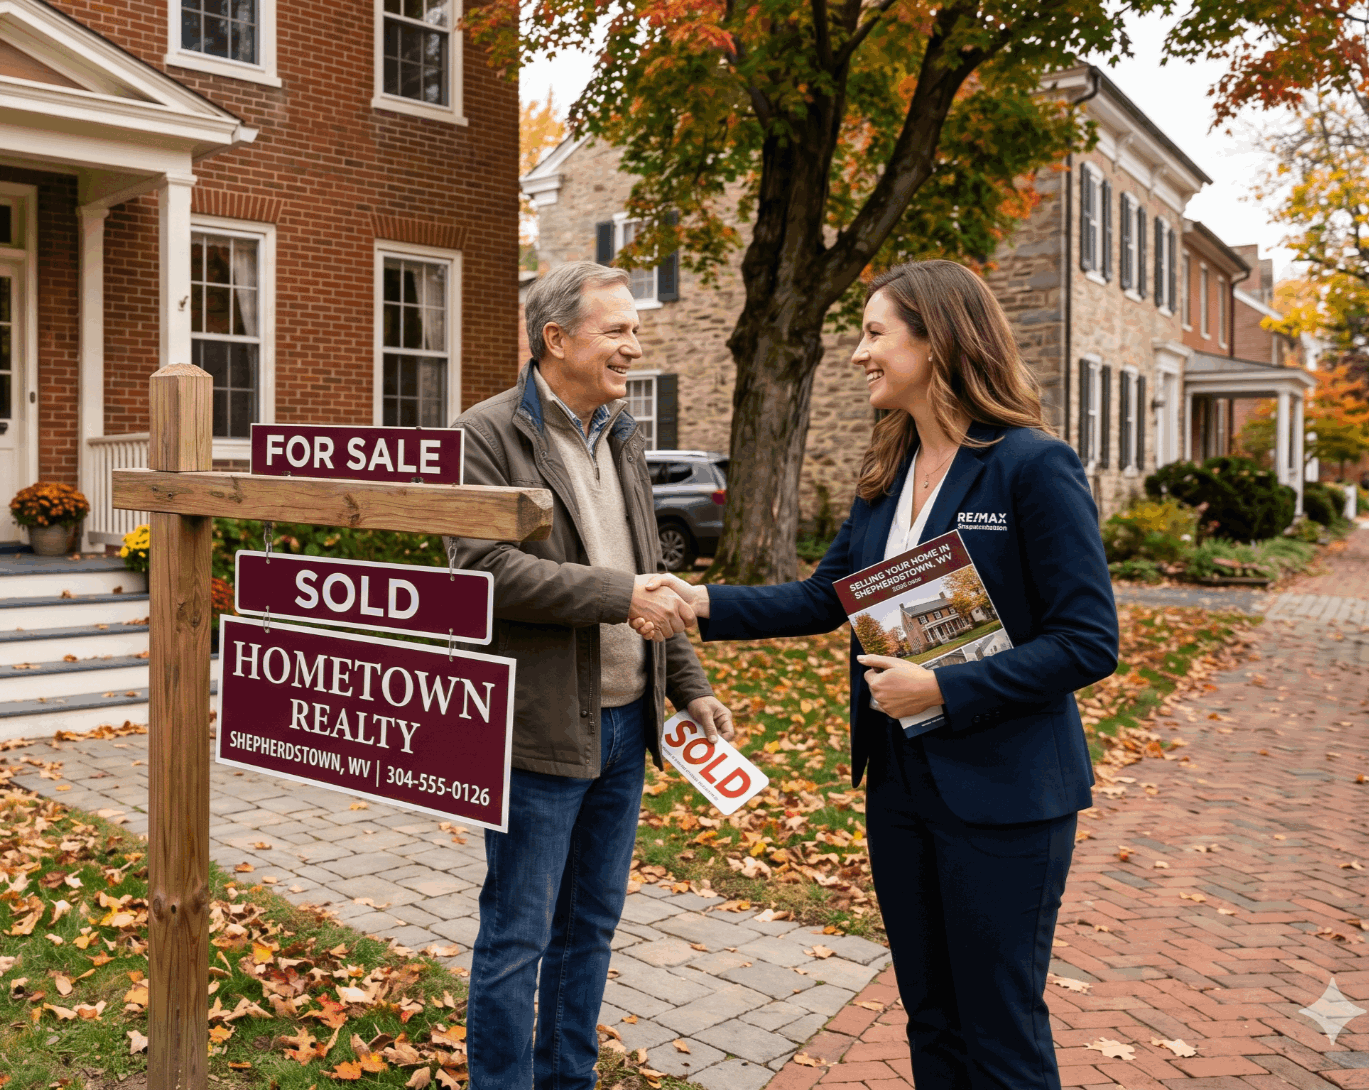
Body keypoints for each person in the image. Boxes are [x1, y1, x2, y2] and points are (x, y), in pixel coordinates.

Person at [641, 259, 1118, 1089]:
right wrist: (700, 601)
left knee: (999, 1027)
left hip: (1005, 794)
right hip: (899, 781)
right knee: (930, 1015)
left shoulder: (1032, 466)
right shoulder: (886, 471)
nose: (859, 354)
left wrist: (945, 689)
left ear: (936, 342)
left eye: (874, 334)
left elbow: (1088, 640)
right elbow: (824, 597)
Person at [446, 260, 734, 1090]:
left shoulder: (624, 434)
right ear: (556, 339)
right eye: (617, 331)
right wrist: (620, 595)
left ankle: (566, 1078)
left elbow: (650, 573)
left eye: (634, 332)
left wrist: (690, 685)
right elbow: (486, 573)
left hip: (623, 725)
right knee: (518, 935)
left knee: (592, 928)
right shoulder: (489, 434)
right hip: (537, 730)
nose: (633, 347)